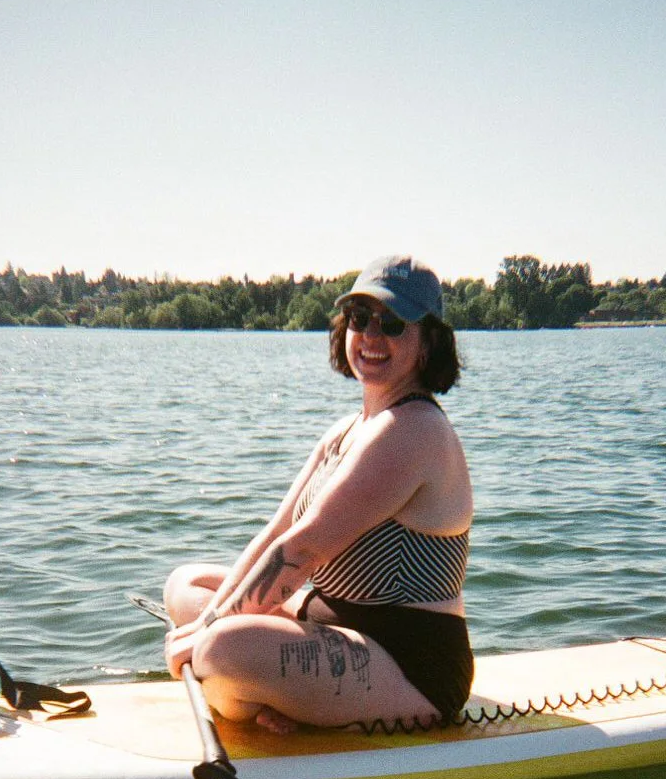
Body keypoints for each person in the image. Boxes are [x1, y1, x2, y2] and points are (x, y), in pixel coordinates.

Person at [163, 254, 474, 731]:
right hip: (332, 625)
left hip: (411, 663)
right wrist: (207, 621)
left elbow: (303, 549)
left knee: (221, 650)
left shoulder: (414, 431)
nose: (371, 335)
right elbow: (276, 534)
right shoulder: (346, 431)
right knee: (186, 586)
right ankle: (266, 693)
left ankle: (259, 691)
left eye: (392, 323)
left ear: (428, 342)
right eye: (359, 318)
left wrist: (206, 634)